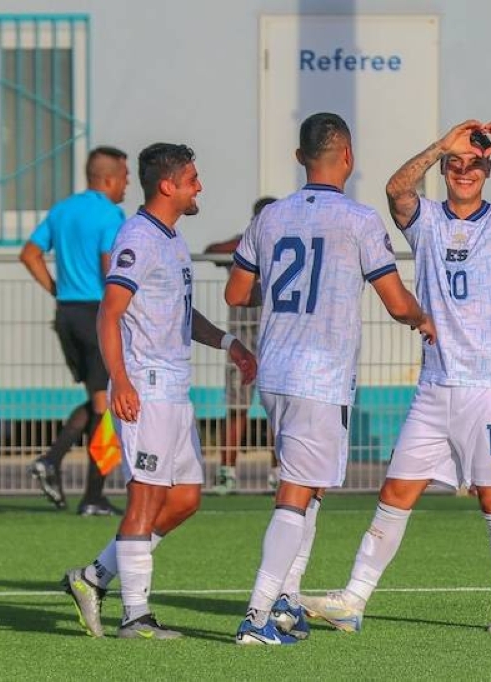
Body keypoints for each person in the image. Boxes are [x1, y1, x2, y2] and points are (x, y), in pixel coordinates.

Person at [300, 120, 491, 634]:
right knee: (396, 491)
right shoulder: (424, 219)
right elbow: (396, 190)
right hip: (435, 386)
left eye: (473, 165)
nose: (464, 172)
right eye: (456, 165)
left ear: (488, 171)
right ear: (446, 170)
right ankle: (354, 599)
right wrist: (440, 145)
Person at [225, 112, 436, 645]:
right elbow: (394, 301)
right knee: (296, 491)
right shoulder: (360, 220)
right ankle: (256, 615)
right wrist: (421, 317)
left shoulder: (269, 218)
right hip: (319, 374)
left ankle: (288, 601)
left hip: (274, 367)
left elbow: (234, 293)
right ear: (349, 156)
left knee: (310, 487)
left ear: (301, 158)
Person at [61, 142, 257, 639]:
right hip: (146, 389)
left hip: (175, 389)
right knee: (144, 501)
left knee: (186, 500)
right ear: (168, 185)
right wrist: (121, 381)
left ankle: (93, 578)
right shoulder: (139, 237)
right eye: (193, 178)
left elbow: (179, 313)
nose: (200, 186)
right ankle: (136, 616)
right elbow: (110, 311)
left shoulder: (170, 237)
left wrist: (229, 342)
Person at [19, 146, 129, 515]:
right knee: (107, 404)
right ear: (110, 179)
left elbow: (29, 254)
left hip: (67, 313)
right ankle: (90, 494)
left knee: (99, 399)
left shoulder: (62, 209)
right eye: (125, 177)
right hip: (97, 313)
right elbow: (109, 267)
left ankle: (53, 461)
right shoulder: (110, 214)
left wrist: (56, 289)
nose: (127, 185)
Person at [204, 197, 281, 493]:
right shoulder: (244, 245)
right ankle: (226, 472)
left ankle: (279, 472)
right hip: (244, 340)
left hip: (276, 336)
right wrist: (245, 245)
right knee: (236, 407)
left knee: (278, 408)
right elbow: (211, 251)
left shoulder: (286, 245)